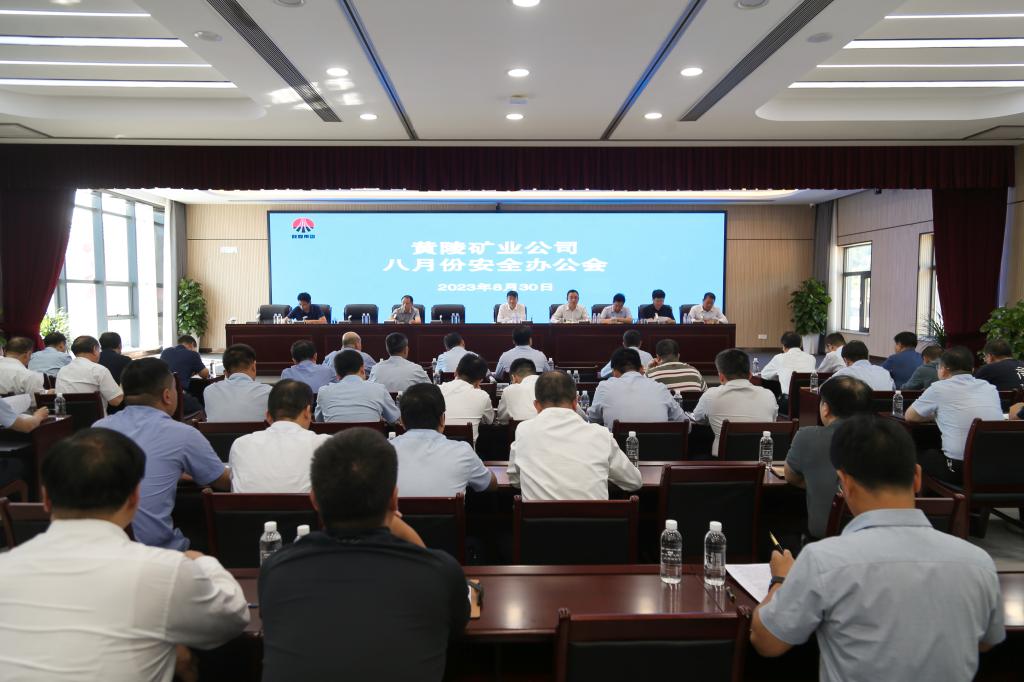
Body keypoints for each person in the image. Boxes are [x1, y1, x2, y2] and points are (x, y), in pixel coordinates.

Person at [751, 416, 1004, 681]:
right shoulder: (979, 563)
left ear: (845, 484)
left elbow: (767, 642)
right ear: (917, 477)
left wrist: (781, 580)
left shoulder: (823, 561)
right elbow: (987, 641)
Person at [0, 428, 249, 681]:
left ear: (46, 499)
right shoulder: (164, 572)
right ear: (134, 498)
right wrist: (204, 562)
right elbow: (233, 618)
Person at [258, 429, 468, 682]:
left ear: (314, 500)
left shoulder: (277, 570)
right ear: (394, 500)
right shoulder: (439, 573)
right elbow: (456, 626)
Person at [94, 358, 230, 549]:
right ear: (167, 395)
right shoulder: (183, 434)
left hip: (101, 546)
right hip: (155, 550)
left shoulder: (98, 428)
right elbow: (224, 481)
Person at [509, 371, 642, 500]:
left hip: (538, 516)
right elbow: (634, 481)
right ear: (575, 403)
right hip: (594, 516)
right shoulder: (601, 434)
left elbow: (514, 480)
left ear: (536, 405)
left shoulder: (523, 431)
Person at [784, 376, 872, 540]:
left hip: (825, 541)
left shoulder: (807, 437)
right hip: (876, 540)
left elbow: (791, 477)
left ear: (826, 409)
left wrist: (818, 482)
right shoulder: (887, 440)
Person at [906, 346, 1003, 485]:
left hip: (959, 469)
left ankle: (929, 497)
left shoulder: (939, 388)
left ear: (943, 369)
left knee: (914, 453)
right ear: (972, 369)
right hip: (994, 467)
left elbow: (910, 416)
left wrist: (936, 414)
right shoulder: (990, 388)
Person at [392, 383, 496, 496]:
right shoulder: (462, 452)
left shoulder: (383, 452)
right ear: (442, 419)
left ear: (402, 421)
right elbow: (490, 485)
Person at [229, 380, 331, 493]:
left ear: (268, 416)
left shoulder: (240, 445)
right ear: (307, 412)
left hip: (248, 505)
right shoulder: (326, 446)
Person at [692, 348, 778, 456]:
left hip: (723, 462)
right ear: (750, 375)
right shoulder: (768, 395)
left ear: (721, 377)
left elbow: (698, 418)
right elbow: (773, 421)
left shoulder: (711, 395)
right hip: (761, 460)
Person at [589, 348, 684, 427]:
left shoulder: (604, 387)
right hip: (660, 444)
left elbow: (593, 420)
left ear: (614, 372)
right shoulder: (660, 388)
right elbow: (685, 424)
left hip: (617, 444)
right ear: (641, 368)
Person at [317, 349, 400, 423]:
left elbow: (319, 421)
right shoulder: (379, 389)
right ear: (362, 369)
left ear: (337, 375)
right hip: (370, 436)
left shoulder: (324, 392)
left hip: (335, 436)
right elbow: (395, 419)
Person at [203, 344, 272, 422]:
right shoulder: (269, 392)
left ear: (226, 373)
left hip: (217, 430)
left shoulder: (209, 391)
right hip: (258, 430)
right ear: (253, 367)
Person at [56, 335, 124, 413]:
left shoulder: (62, 371)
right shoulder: (99, 370)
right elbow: (116, 401)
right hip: (96, 420)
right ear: (94, 349)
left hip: (68, 419)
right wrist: (123, 385)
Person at [439, 353, 494, 442]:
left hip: (437, 448)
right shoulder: (482, 395)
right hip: (467, 450)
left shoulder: (437, 390)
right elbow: (489, 421)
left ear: (456, 371)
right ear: (479, 381)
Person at [759, 331, 816, 406]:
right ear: (800, 345)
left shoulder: (779, 358)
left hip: (788, 403)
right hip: (809, 402)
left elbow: (764, 374)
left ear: (784, 346)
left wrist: (780, 375)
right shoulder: (811, 358)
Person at [828, 341, 895, 391]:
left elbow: (824, 389)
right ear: (867, 356)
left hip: (857, 406)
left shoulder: (843, 373)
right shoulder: (884, 372)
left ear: (846, 360)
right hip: (885, 406)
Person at [0, 336, 45, 401]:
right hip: (18, 407)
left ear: (4, 351)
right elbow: (36, 402)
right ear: (28, 354)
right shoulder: (29, 375)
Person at [496, 358, 540, 423]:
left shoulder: (509, 390)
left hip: (519, 429)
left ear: (514, 378)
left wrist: (513, 387)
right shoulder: (550, 384)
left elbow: (502, 418)